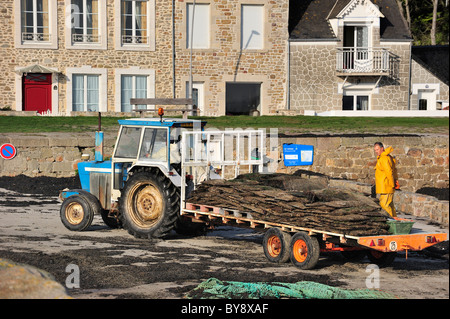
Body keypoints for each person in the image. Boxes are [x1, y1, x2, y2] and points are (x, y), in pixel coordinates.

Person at [374, 142, 398, 217]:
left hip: (386, 186)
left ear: (382, 148)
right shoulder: (384, 157)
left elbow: (389, 172)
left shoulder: (384, 158)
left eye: (377, 149)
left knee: (384, 204)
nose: (376, 151)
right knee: (390, 205)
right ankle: (395, 221)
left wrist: (392, 184)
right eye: (375, 150)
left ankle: (391, 221)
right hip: (385, 186)